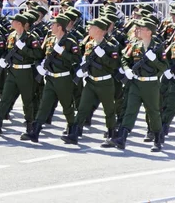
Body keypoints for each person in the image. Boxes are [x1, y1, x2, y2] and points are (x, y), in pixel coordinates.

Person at [109, 17, 167, 152]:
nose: (138, 30)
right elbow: (124, 58)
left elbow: (164, 67)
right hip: (136, 82)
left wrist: (154, 60)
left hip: (150, 85)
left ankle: (158, 139)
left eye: (141, 28)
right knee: (130, 109)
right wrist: (127, 69)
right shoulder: (136, 45)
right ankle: (122, 138)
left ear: (149, 32)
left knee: (153, 112)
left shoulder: (157, 48)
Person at [61, 18, 120, 146]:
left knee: (109, 110)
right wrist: (83, 69)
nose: (89, 29)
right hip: (91, 82)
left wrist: (103, 55)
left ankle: (111, 136)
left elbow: (114, 65)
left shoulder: (110, 47)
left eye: (91, 27)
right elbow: (86, 60)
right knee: (82, 108)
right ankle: (74, 134)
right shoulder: (89, 44)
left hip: (105, 83)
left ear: (99, 30)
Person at [22, 14, 80, 142]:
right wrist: (39, 66)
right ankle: (35, 132)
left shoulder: (70, 42)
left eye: (53, 24)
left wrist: (63, 52)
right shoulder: (50, 40)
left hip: (63, 79)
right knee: (44, 104)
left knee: (67, 107)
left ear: (60, 27)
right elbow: (40, 55)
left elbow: (77, 60)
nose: (51, 26)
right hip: (50, 78)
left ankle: (73, 133)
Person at [0, 12, 43, 137]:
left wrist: (24, 49)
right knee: (5, 98)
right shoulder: (11, 36)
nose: (11, 23)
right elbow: (6, 51)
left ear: (20, 24)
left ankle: (30, 125)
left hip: (25, 71)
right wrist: (3, 59)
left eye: (14, 21)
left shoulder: (30, 38)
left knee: (27, 100)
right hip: (12, 71)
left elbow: (38, 55)